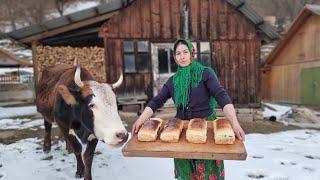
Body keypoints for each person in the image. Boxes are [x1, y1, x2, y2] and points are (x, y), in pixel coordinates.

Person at [132, 38, 245, 180]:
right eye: (178, 53)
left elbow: (221, 96)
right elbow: (157, 101)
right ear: (174, 57)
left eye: (185, 52)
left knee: (209, 173)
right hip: (181, 130)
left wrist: (234, 123)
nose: (182, 56)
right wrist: (140, 120)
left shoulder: (206, 73)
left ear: (193, 54)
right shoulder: (173, 81)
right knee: (185, 173)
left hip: (206, 128)